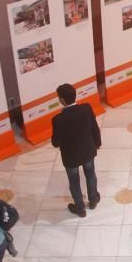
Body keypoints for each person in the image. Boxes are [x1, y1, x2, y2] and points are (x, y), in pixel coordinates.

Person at [51, 83, 101, 218]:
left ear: (61, 100)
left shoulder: (58, 119)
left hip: (71, 157)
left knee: (74, 181)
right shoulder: (86, 108)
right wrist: (97, 143)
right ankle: (93, 199)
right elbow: (94, 128)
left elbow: (56, 142)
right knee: (90, 174)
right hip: (88, 151)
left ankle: (80, 208)